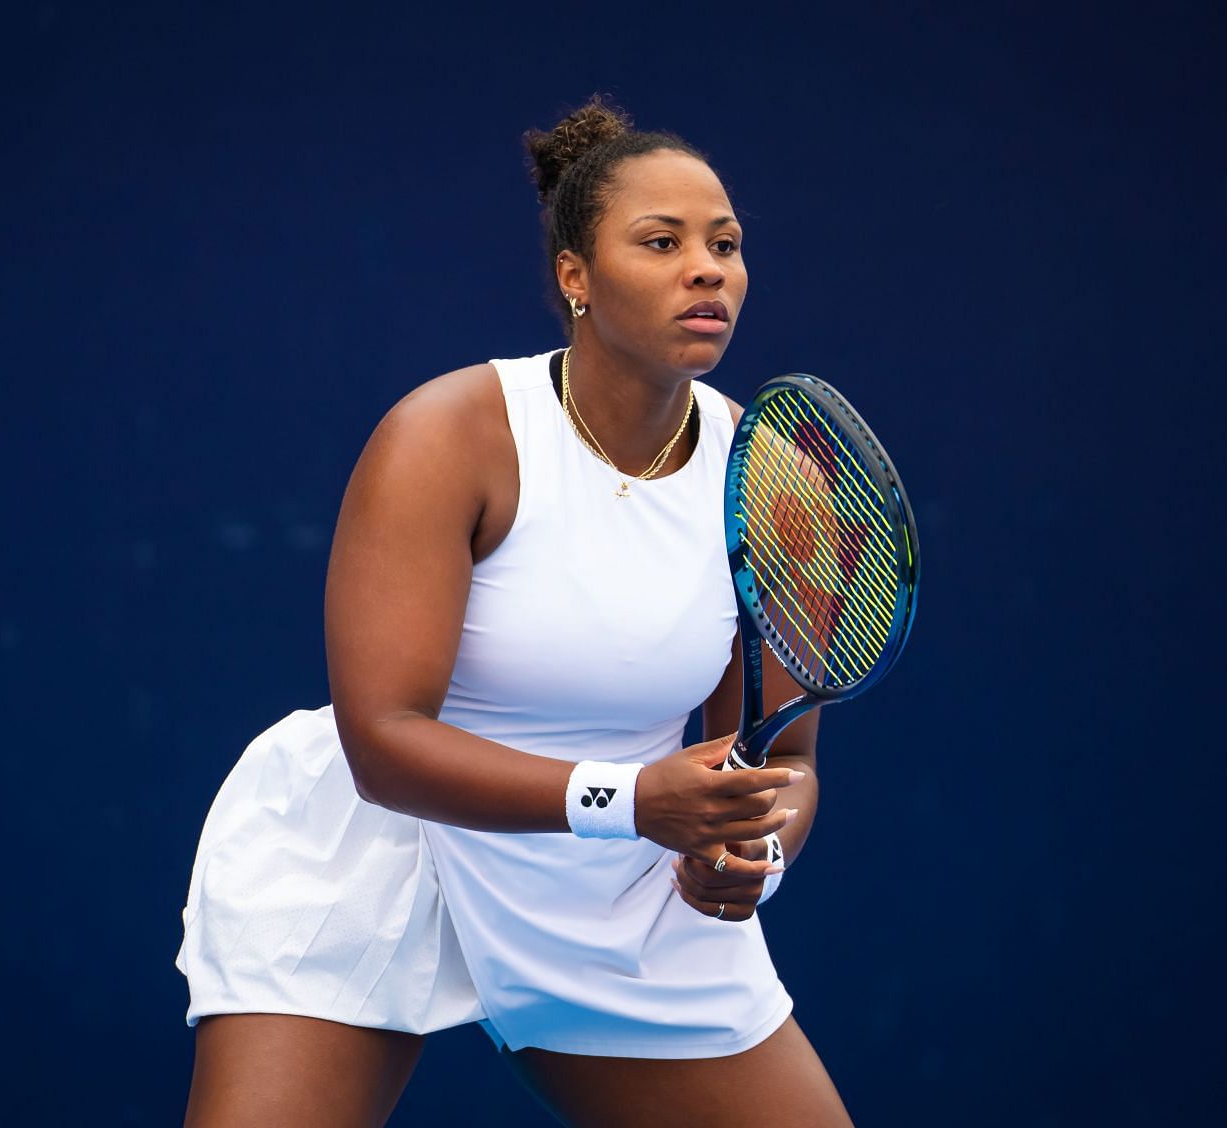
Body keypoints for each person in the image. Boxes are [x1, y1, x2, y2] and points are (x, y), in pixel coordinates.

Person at [176, 96, 853, 1127]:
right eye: (661, 242)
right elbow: (383, 744)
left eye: (725, 243)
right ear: (574, 276)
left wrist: (754, 848)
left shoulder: (775, 484)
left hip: (615, 883)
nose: (708, 268)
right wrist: (633, 799)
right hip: (380, 846)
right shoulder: (446, 436)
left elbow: (780, 759)